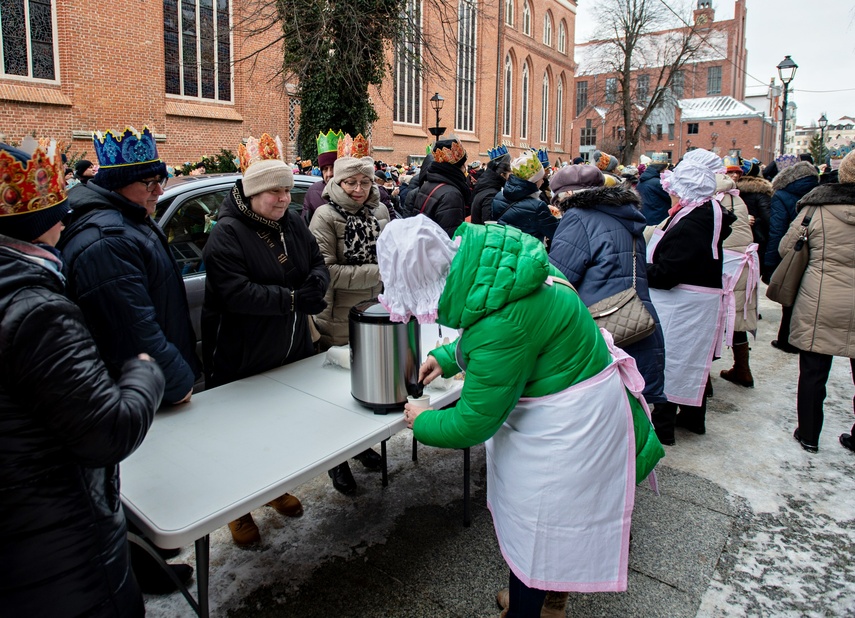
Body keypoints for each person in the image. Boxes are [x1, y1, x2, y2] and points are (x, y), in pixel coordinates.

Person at [377, 216, 663, 618]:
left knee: (539, 531)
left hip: (570, 427)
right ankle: (551, 599)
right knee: (556, 527)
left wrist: (421, 419)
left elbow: (473, 421)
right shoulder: (500, 263)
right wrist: (447, 357)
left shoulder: (501, 325)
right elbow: (495, 320)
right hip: (584, 398)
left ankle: (527, 610)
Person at [0, 140, 166, 616]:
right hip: (56, 538)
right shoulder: (36, 310)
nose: (65, 220)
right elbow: (106, 432)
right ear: (33, 223)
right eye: (56, 213)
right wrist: (144, 373)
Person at [58, 125, 200, 590]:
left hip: (143, 382)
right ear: (119, 184)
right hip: (133, 384)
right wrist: (177, 381)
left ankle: (152, 555)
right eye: (149, 183)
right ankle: (143, 568)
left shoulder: (127, 218)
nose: (159, 190)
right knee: (133, 481)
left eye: (161, 180)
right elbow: (134, 331)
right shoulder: (106, 240)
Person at [200, 134, 328, 546]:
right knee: (239, 434)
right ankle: (237, 509)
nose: (284, 198)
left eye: (288, 190)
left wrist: (317, 284)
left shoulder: (292, 222)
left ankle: (272, 487)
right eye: (276, 191)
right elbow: (236, 294)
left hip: (289, 347)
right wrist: (291, 299)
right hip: (242, 352)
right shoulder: (227, 233)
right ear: (253, 193)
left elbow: (317, 262)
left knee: (280, 428)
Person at [309, 133, 390, 494]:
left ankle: (360, 445)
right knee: (334, 396)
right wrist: (380, 272)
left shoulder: (380, 211)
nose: (359, 189)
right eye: (351, 182)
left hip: (374, 312)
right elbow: (326, 271)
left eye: (365, 182)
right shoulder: (324, 217)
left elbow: (391, 253)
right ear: (337, 182)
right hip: (338, 316)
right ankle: (336, 462)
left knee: (365, 384)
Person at [548, 163, 666, 408]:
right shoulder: (625, 213)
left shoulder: (578, 217)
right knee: (631, 404)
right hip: (635, 316)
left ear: (568, 194)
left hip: (600, 321)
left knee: (600, 403)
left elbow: (559, 277)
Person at [646, 149, 735, 445]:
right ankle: (694, 418)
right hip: (695, 301)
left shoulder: (693, 221)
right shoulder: (705, 210)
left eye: (674, 189)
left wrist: (638, 268)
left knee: (673, 361)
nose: (671, 194)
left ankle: (664, 428)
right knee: (691, 361)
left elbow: (667, 273)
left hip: (684, 304)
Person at [780, 150, 855, 453]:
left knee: (813, 371)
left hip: (821, 298)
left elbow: (787, 248)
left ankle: (809, 434)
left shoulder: (816, 208)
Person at [765, 155, 819, 354]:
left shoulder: (782, 194)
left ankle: (786, 339)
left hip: (791, 251)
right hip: (816, 251)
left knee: (789, 296)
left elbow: (777, 230)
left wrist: (770, 263)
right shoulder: (819, 192)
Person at [716, 170, 760, 388]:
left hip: (721, 262)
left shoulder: (707, 200)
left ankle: (704, 382)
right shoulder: (736, 199)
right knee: (737, 318)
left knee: (711, 318)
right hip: (743, 263)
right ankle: (743, 369)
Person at [491, 150, 559, 244]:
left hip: (506, 248)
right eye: (541, 178)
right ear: (534, 181)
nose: (543, 181)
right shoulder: (537, 207)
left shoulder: (499, 196)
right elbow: (556, 232)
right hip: (527, 250)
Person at [412, 137, 471, 236]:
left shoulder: (428, 184)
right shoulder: (451, 194)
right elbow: (450, 236)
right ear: (459, 166)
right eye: (463, 164)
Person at [736, 158, 772, 282]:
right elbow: (768, 218)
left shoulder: (734, 191)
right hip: (757, 240)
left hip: (737, 240)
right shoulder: (761, 192)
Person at [302, 130, 343, 225]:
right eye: (325, 169)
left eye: (333, 167)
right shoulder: (313, 192)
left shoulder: (355, 191)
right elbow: (304, 225)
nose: (329, 174)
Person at [470, 147, 511, 224]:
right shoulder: (491, 195)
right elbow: (489, 225)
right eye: (510, 173)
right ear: (502, 174)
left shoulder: (486, 187)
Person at [637, 152, 672, 225]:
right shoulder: (659, 183)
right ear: (663, 169)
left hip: (646, 219)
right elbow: (672, 198)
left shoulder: (641, 181)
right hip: (658, 220)